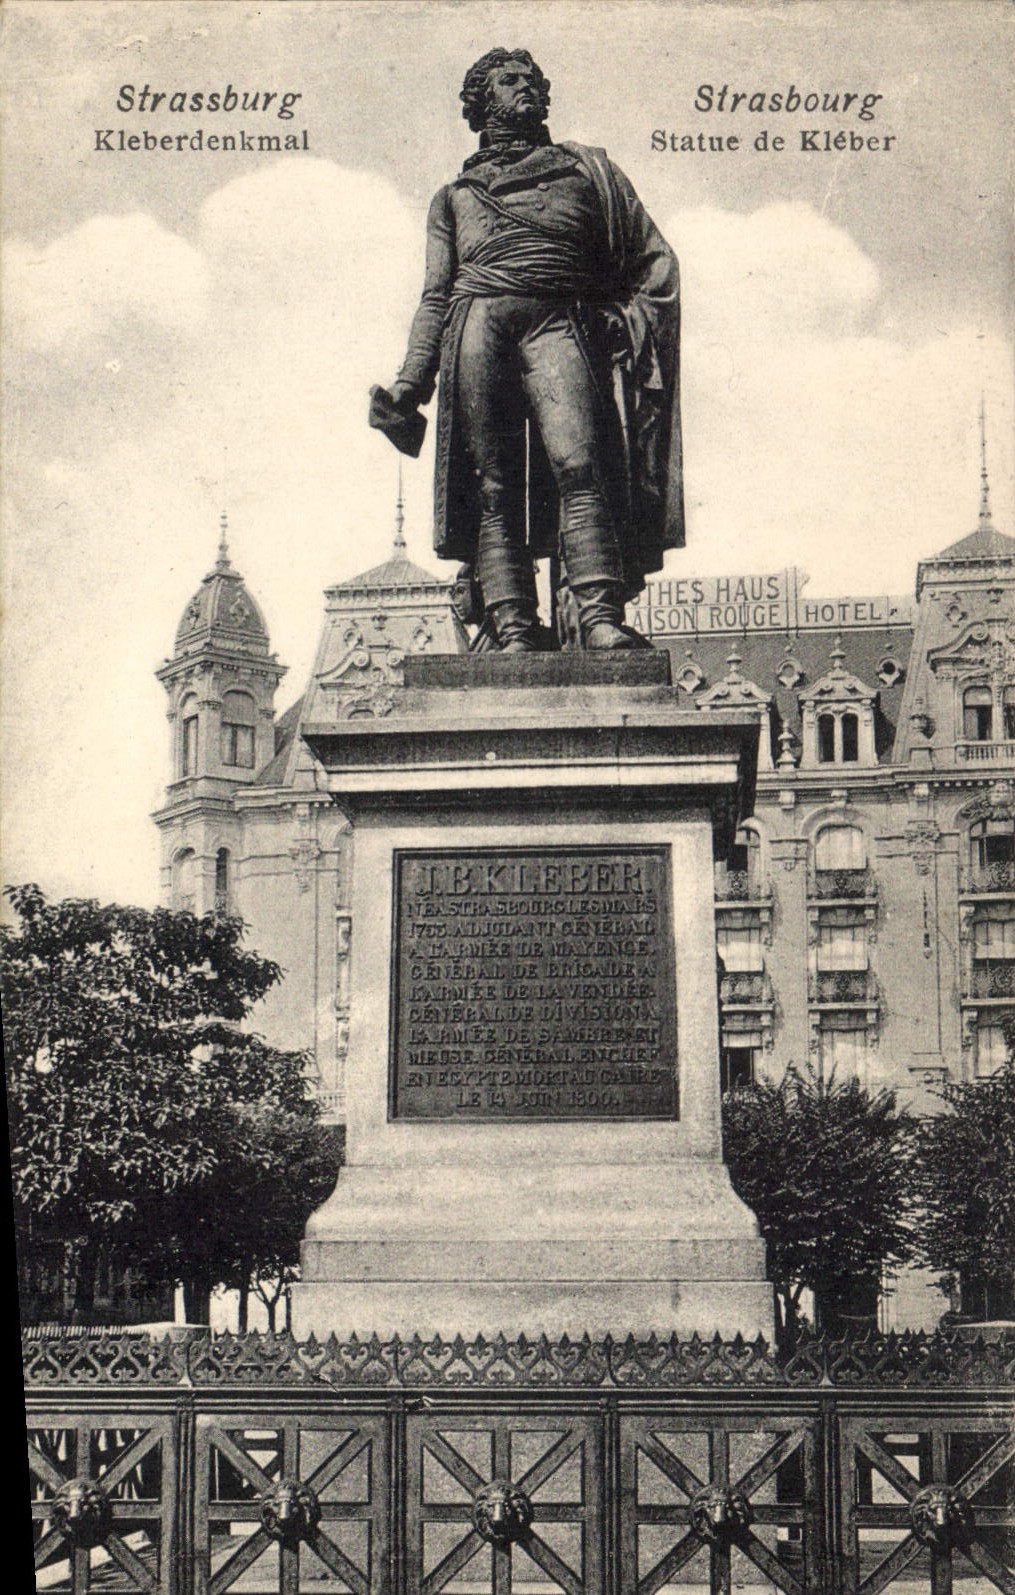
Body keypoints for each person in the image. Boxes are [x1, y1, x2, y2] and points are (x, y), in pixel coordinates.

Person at [372, 48, 684, 652]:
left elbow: (656, 261)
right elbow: (435, 296)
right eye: (511, 81)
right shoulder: (453, 197)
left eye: (533, 82)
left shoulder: (589, 172)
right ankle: (512, 625)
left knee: (580, 465)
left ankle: (598, 619)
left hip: (559, 321)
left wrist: (626, 321)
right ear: (481, 101)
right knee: (492, 485)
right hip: (476, 327)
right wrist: (411, 384)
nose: (529, 90)